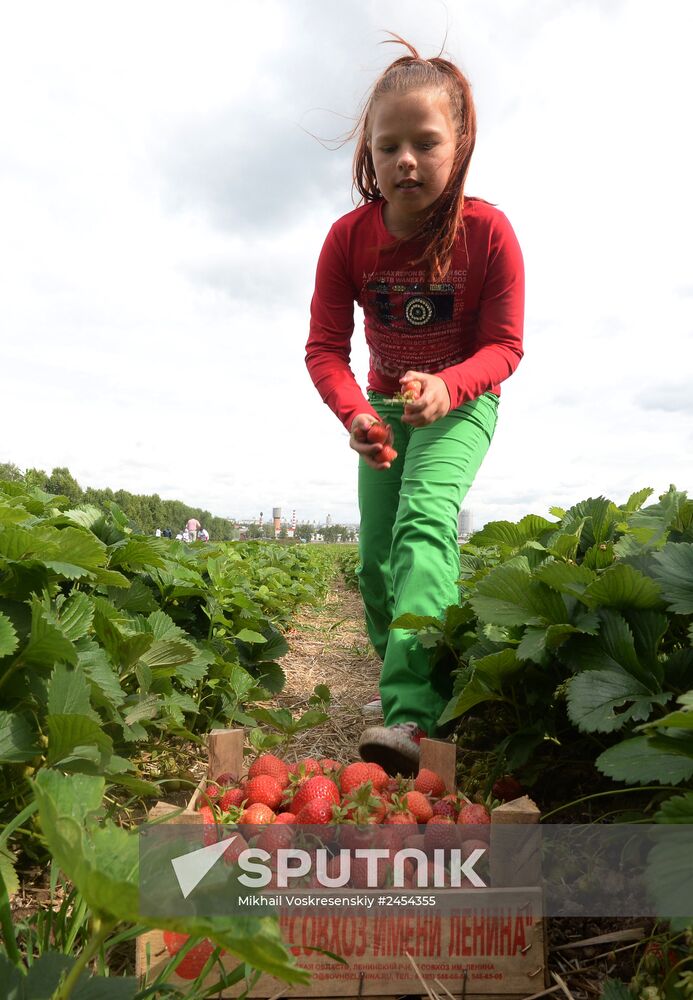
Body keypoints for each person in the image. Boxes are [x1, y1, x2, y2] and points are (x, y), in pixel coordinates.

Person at [305, 37, 524, 775]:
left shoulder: (488, 232)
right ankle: (398, 664)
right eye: (388, 144)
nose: (406, 159)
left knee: (423, 523)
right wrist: (358, 418)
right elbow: (323, 349)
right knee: (373, 560)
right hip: (384, 406)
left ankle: (411, 711)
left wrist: (449, 384)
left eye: (424, 143)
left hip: (463, 402)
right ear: (367, 152)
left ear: (457, 144)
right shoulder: (348, 240)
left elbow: (503, 347)